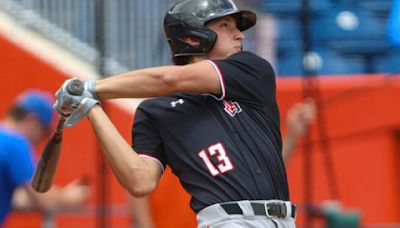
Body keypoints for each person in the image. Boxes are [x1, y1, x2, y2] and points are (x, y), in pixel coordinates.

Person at [54, 0, 297, 227]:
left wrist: (90, 88)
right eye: (225, 26)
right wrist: (90, 106)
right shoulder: (155, 111)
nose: (240, 35)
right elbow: (140, 181)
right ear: (193, 38)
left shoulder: (252, 70)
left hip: (285, 220)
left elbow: (166, 79)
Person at [0, 90, 89, 225]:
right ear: (32, 120)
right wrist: (68, 197)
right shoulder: (15, 144)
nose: (41, 140)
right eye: (44, 132)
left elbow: (17, 198)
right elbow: (41, 198)